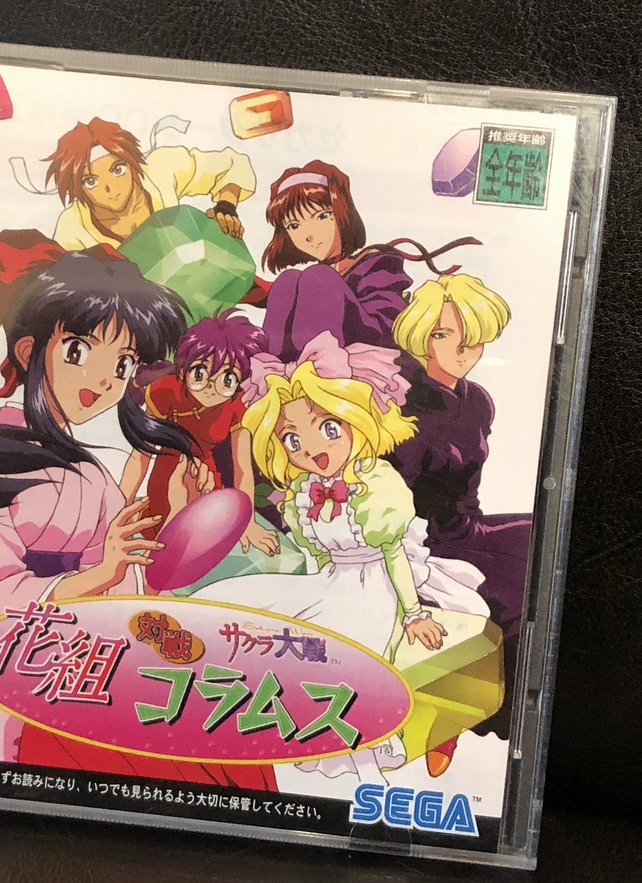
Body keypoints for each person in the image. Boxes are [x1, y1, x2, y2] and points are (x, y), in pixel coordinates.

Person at [0, 229, 275, 790]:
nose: (103, 379)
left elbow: (125, 576)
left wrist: (173, 515)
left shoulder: (90, 474)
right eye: (79, 351)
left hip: (82, 658)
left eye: (124, 364)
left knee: (222, 734)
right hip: (3, 680)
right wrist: (98, 576)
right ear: (29, 352)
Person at [193, 332, 489, 782]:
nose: (312, 449)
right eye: (292, 440)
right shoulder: (304, 491)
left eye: (328, 428)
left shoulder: (377, 484)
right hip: (330, 580)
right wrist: (306, 592)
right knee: (234, 602)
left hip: (378, 587)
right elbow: (315, 556)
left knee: (340, 661)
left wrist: (412, 615)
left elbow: (393, 554)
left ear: (356, 419)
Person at [389, 274, 530, 771]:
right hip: (420, 543)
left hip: (467, 528)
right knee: (515, 587)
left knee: (543, 544)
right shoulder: (401, 403)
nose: (462, 348)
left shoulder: (478, 401)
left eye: (471, 335)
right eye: (444, 334)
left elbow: (468, 489)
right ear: (422, 337)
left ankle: (490, 712)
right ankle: (462, 713)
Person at [259, 160, 478, 360]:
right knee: (287, 280)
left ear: (342, 213)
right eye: (294, 226)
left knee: (318, 277)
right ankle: (275, 368)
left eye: (322, 216)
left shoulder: (376, 264)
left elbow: (387, 328)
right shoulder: (302, 281)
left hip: (367, 355)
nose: (309, 234)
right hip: (300, 363)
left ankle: (320, 369)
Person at [128, 308, 279, 556]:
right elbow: (141, 456)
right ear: (184, 369)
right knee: (165, 538)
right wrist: (121, 506)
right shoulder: (166, 391)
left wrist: (247, 522)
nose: (211, 387)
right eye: (200, 373)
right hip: (164, 481)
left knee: (200, 539)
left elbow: (242, 468)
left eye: (227, 379)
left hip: (206, 483)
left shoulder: (236, 405)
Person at [45, 117, 255, 249]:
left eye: (118, 170)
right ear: (76, 188)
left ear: (132, 163)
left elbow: (231, 163)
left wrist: (226, 207)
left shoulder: (160, 168)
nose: (109, 188)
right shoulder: (72, 228)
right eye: (90, 181)